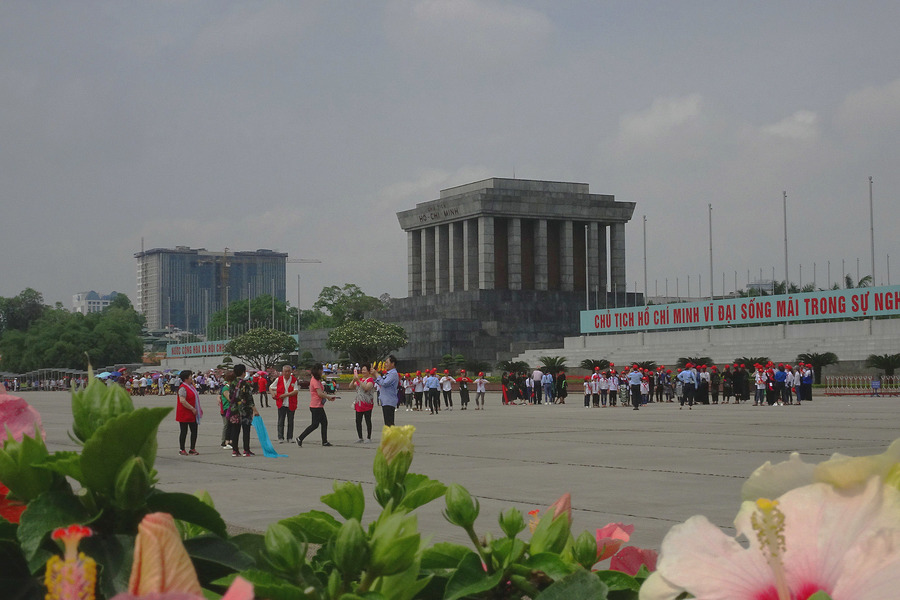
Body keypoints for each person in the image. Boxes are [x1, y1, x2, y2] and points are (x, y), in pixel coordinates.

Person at [297, 363, 338, 447]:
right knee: (315, 424)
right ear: (318, 370)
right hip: (316, 406)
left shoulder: (317, 380)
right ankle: (300, 438)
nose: (322, 371)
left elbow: (320, 392)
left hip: (318, 405)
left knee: (323, 423)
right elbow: (319, 393)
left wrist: (326, 395)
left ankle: (324, 441)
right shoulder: (315, 381)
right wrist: (328, 397)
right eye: (321, 370)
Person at [229, 364, 260, 456]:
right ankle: (246, 450)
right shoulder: (245, 384)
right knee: (246, 430)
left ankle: (235, 450)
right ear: (243, 372)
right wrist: (255, 410)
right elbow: (249, 398)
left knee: (235, 430)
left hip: (235, 410)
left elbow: (231, 397)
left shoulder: (232, 383)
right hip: (245, 411)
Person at [271, 365, 299, 443]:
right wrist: (273, 394)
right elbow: (271, 387)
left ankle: (290, 437)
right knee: (281, 421)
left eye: (288, 371)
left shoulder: (294, 380)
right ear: (282, 372)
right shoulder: (278, 379)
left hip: (291, 403)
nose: (287, 373)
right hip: (281, 403)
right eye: (285, 371)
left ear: (291, 372)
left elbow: (296, 391)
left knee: (290, 421)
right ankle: (280, 437)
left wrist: (285, 395)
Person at [176, 370, 200, 455]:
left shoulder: (191, 386)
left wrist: (197, 409)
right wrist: (192, 408)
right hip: (184, 413)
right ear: (186, 378)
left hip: (192, 413)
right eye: (190, 376)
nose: (192, 377)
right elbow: (182, 400)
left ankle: (192, 448)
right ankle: (182, 449)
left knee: (194, 431)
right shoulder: (183, 388)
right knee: (184, 431)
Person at [373, 355, 400, 426]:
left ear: (393, 363)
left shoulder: (393, 374)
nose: (385, 364)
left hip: (389, 401)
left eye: (387, 362)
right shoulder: (389, 374)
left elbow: (384, 383)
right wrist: (375, 376)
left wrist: (376, 374)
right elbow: (380, 381)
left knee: (389, 423)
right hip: (386, 400)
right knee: (388, 423)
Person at [351, 364, 375, 442]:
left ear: (368, 371)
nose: (363, 371)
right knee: (358, 421)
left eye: (365, 370)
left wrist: (358, 380)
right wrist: (354, 380)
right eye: (362, 370)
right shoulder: (360, 379)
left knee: (367, 420)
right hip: (359, 403)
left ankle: (368, 437)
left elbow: (366, 388)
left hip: (367, 403)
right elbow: (350, 386)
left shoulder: (370, 380)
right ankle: (360, 437)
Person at [219, 370, 234, 449]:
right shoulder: (226, 388)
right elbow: (229, 399)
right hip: (227, 409)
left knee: (231, 425)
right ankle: (225, 441)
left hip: (231, 408)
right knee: (227, 425)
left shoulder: (231, 387)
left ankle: (230, 440)